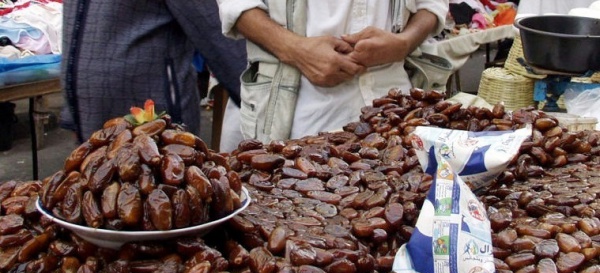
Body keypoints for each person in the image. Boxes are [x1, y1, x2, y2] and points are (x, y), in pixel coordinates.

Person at [217, 0, 449, 152]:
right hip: (298, 113)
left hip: (395, 107)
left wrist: (405, 42)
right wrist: (294, 49)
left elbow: (432, 3)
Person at [61, 0, 247, 143]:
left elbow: (214, 32)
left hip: (155, 123)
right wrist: (72, 112)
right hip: (91, 120)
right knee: (99, 186)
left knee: (161, 188)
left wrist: (257, 98)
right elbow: (73, 32)